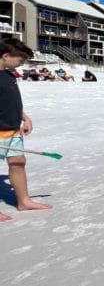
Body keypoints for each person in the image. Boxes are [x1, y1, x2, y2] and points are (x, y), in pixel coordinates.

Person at [0, 38, 52, 221]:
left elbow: (10, 102)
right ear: (6, 56)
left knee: (18, 163)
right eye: (20, 60)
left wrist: (25, 118)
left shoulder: (8, 74)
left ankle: (23, 201)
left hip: (13, 130)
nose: (21, 64)